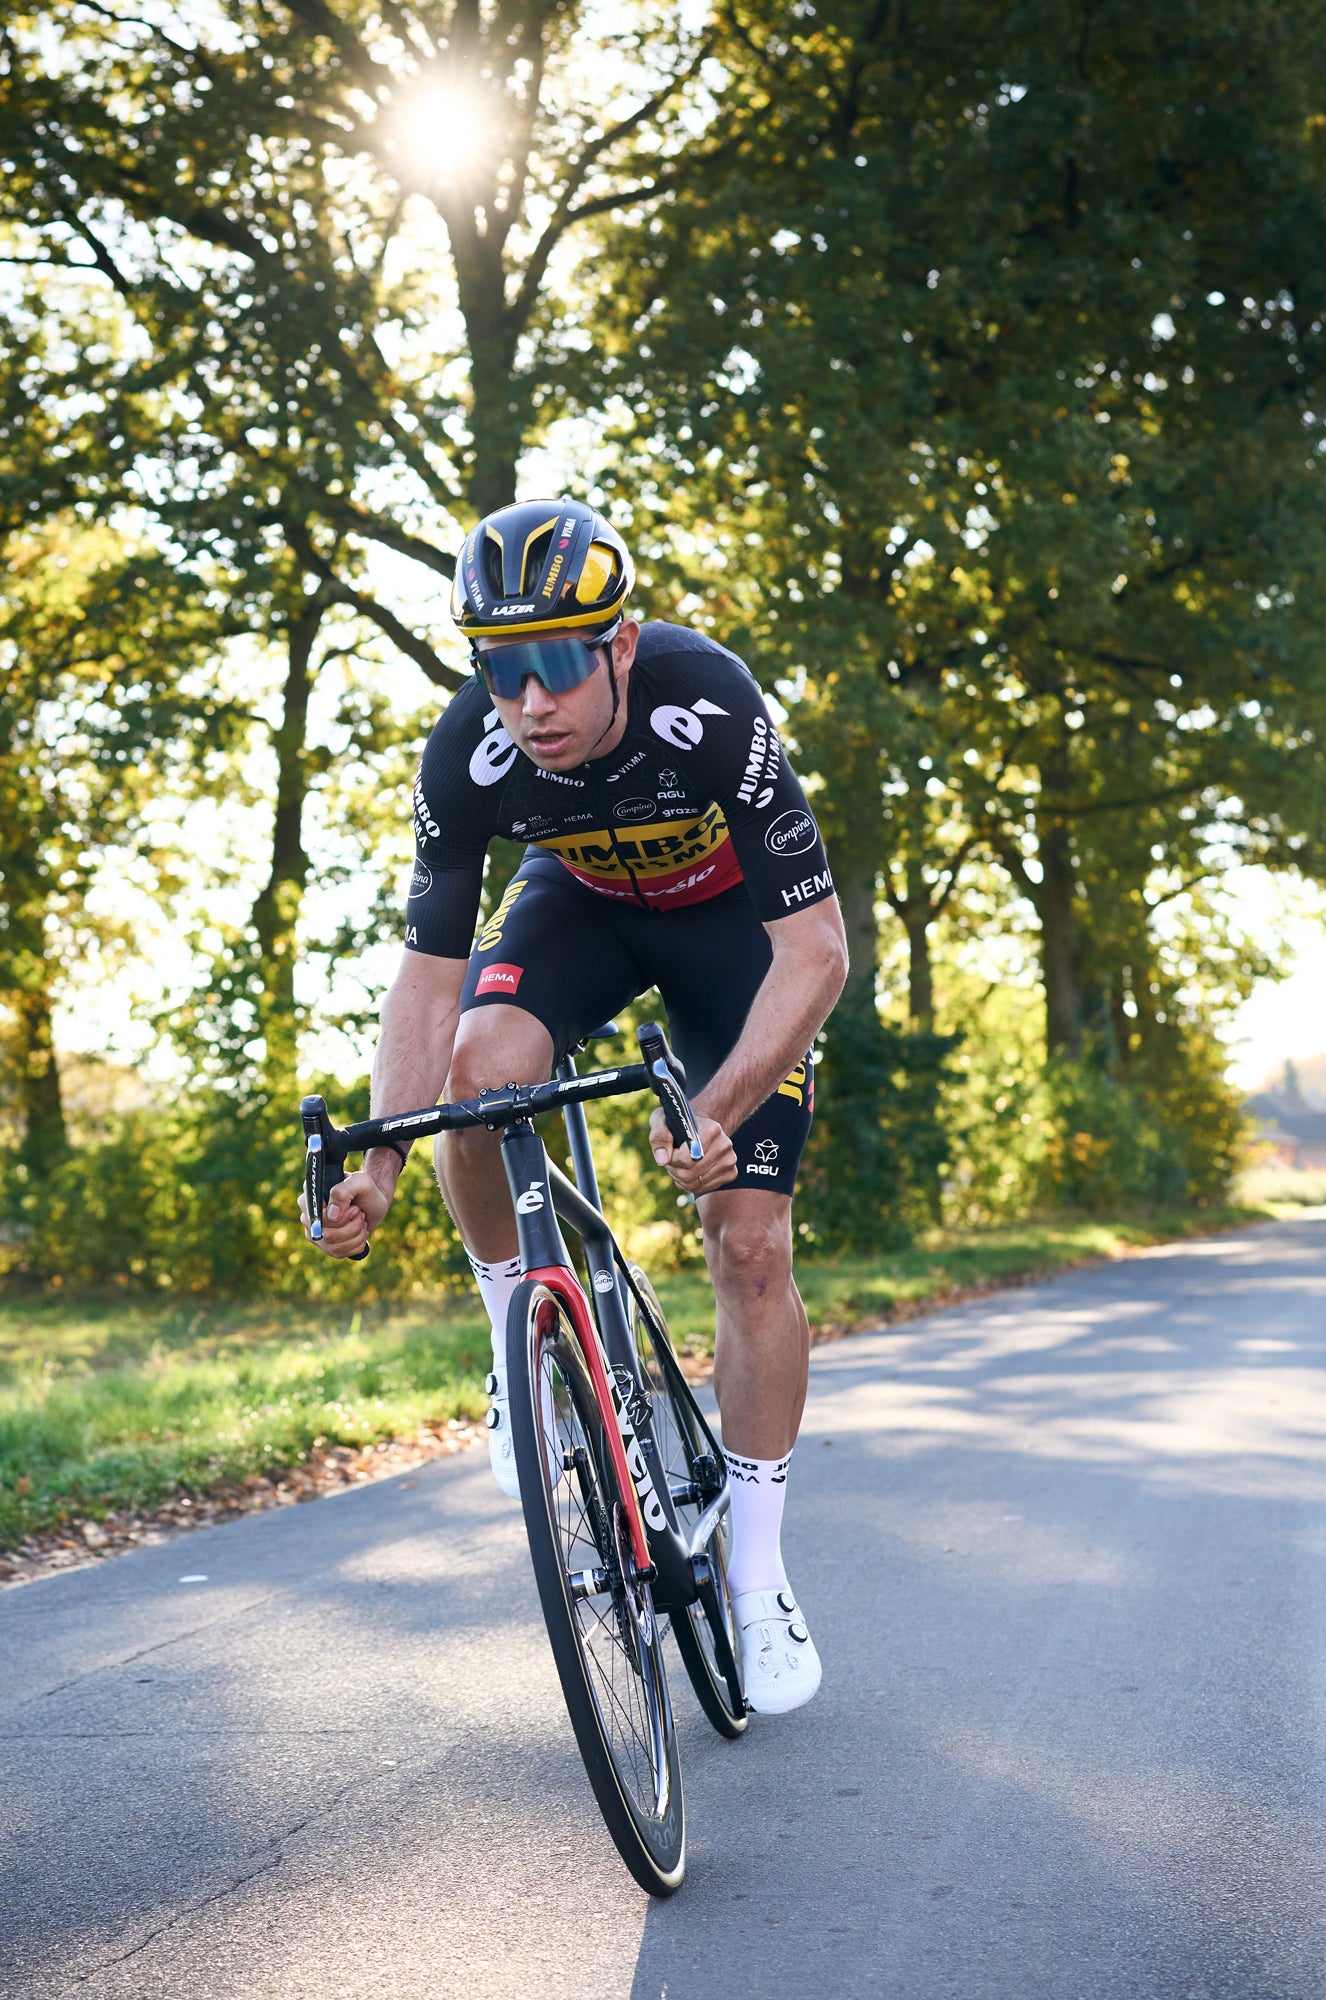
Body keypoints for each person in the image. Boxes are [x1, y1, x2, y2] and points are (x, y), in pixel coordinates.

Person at [307, 498, 848, 1716]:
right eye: (501, 669)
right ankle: (519, 1338)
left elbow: (815, 950)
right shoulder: (471, 750)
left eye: (557, 662)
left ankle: (757, 1572)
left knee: (750, 1238)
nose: (530, 700)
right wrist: (382, 1164)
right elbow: (429, 978)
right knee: (476, 1070)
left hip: (731, 935)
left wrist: (718, 1106)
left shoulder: (705, 699)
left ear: (620, 644)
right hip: (585, 907)